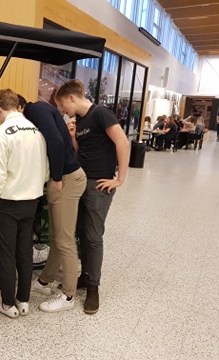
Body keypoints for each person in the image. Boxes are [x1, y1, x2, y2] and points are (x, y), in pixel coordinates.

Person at [55, 79, 130, 314]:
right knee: (80, 232)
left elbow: (123, 143)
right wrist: (74, 137)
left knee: (93, 236)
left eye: (62, 106)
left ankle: (93, 288)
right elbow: (83, 152)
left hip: (99, 184)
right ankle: (85, 276)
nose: (63, 111)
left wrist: (120, 179)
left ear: (71, 98)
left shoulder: (101, 114)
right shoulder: (83, 120)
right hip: (81, 182)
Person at [0, 89, 49, 318]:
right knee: (24, 252)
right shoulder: (36, 132)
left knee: (5, 255)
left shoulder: (2, 134)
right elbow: (45, 170)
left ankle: (6, 303)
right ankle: (23, 301)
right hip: (31, 201)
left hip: (7, 203)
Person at [23, 100, 87, 313]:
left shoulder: (34, 110)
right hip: (66, 177)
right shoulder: (41, 109)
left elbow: (57, 143)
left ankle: (68, 295)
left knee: (65, 239)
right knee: (56, 236)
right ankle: (44, 281)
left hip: (67, 178)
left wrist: (57, 178)